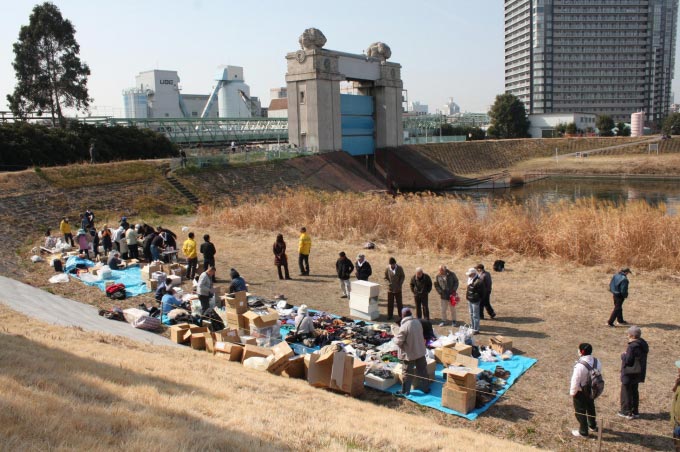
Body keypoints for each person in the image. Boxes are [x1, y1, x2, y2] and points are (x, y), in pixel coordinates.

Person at [394, 308, 430, 396]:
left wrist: (395, 337)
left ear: (403, 315)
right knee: (423, 371)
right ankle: (426, 388)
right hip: (420, 351)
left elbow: (399, 341)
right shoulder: (417, 322)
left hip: (410, 354)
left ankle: (405, 391)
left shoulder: (404, 326)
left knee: (407, 373)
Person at [570, 343, 601, 438]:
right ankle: (592, 425)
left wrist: (572, 392)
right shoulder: (597, 361)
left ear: (581, 352)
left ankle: (583, 431)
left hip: (580, 391)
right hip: (592, 389)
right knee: (591, 407)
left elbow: (575, 380)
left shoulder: (580, 366)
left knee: (580, 411)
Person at [618, 325, 649, 420]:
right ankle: (635, 411)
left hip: (629, 373)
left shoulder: (632, 346)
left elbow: (628, 361)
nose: (627, 335)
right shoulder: (643, 344)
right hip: (638, 372)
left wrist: (623, 356)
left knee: (626, 391)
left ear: (632, 335)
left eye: (628, 334)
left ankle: (626, 412)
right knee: (634, 391)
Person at [465, 267, 483, 333]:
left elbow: (482, 292)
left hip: (475, 301)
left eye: (470, 274)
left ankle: (476, 329)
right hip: (470, 299)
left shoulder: (479, 281)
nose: (468, 275)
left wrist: (477, 297)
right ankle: (472, 327)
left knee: (475, 315)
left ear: (473, 274)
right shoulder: (470, 279)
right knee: (471, 314)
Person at [671, 360, 680, 451]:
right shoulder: (679, 381)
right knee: (676, 442)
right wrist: (676, 384)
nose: (677, 370)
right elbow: (674, 391)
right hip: (676, 420)